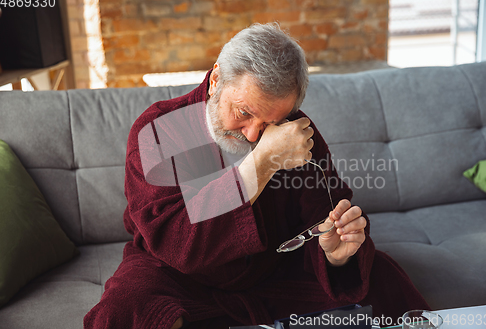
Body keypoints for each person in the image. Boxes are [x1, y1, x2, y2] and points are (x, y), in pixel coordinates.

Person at [84, 23, 429, 329]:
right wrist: (263, 162)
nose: (251, 135)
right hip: (176, 274)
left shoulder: (295, 132)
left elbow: (324, 214)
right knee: (127, 308)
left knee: (384, 276)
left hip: (272, 270)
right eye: (244, 113)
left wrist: (336, 253)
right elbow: (177, 244)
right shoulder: (161, 130)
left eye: (268, 124)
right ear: (217, 78)